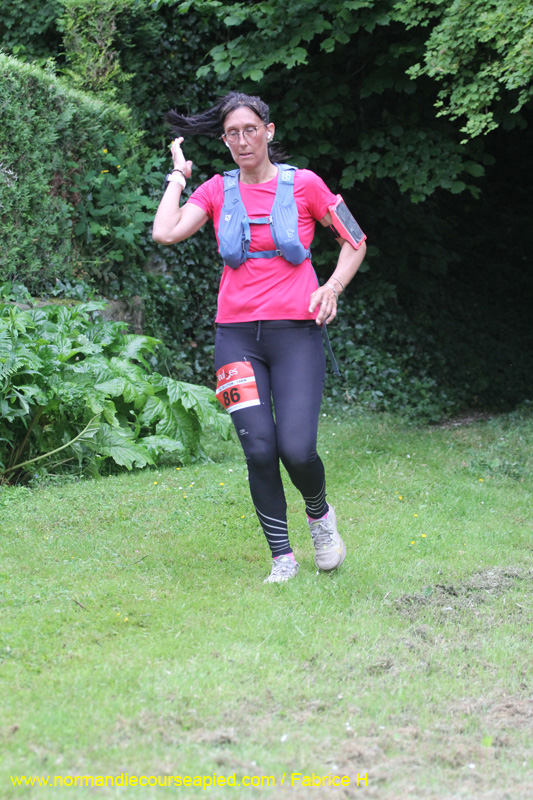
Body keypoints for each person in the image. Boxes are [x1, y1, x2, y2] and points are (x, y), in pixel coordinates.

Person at [152, 91, 366, 583]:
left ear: (268, 131)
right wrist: (179, 176)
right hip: (236, 339)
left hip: (297, 335)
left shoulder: (305, 184)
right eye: (232, 133)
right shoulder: (216, 190)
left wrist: (332, 286)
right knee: (259, 449)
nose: (242, 140)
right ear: (224, 141)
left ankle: (320, 518)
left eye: (250, 130)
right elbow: (165, 231)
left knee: (297, 449)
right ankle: (282, 558)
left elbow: (355, 240)